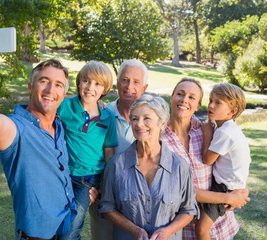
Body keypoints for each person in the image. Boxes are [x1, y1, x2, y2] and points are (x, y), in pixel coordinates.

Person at [0, 34, 76, 240]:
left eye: (58, 85)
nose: (51, 90)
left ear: (64, 94)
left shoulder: (59, 125)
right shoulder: (18, 128)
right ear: (31, 87)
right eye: (44, 81)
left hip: (67, 228)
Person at [99, 93, 198, 240]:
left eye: (147, 118)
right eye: (134, 119)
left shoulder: (179, 166)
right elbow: (107, 208)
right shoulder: (116, 164)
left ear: (162, 123)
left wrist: (167, 231)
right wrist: (134, 231)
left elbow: (189, 210)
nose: (139, 124)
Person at [161, 78, 250, 239]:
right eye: (180, 94)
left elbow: (234, 159)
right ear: (172, 97)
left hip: (221, 226)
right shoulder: (159, 139)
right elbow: (176, 190)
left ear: (197, 105)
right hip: (184, 230)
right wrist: (229, 197)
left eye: (192, 97)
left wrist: (239, 191)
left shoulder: (208, 129)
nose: (184, 100)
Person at [57, 61, 118, 240]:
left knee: (71, 228)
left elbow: (109, 154)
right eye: (86, 81)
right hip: (61, 175)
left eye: (97, 84)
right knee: (55, 222)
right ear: (79, 83)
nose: (90, 87)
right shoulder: (65, 107)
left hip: (87, 180)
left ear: (104, 89)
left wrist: (105, 186)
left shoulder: (108, 117)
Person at [89, 59, 148, 240]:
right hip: (103, 199)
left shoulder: (152, 119)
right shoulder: (100, 114)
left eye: (136, 82)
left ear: (144, 88)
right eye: (125, 80)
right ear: (117, 82)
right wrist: (88, 184)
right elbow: (85, 152)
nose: (129, 86)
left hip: (138, 203)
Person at [195, 83, 251, 240]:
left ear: (232, 111)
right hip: (232, 183)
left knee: (201, 229)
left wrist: (207, 133)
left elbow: (207, 160)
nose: (211, 105)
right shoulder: (229, 128)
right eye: (211, 100)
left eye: (218, 102)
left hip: (224, 188)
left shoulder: (225, 133)